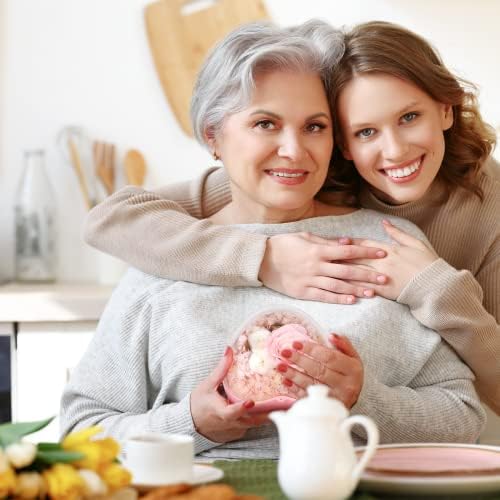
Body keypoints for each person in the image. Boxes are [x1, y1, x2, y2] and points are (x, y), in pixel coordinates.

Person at [62, 20, 485, 458]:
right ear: (213, 136)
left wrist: (364, 399)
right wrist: (191, 423)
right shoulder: (165, 251)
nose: (294, 150)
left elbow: (463, 418)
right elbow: (80, 433)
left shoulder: (387, 246)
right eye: (265, 123)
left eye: (315, 127)